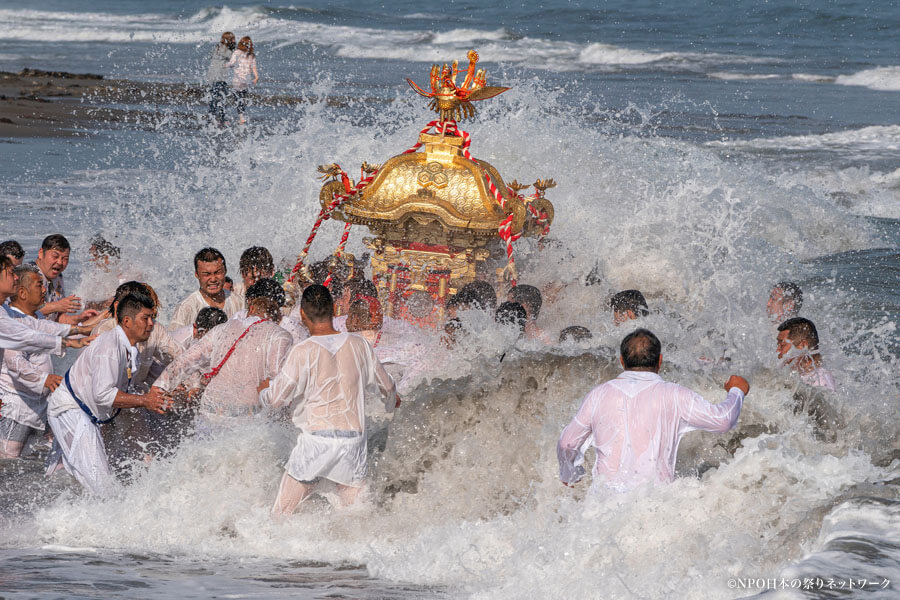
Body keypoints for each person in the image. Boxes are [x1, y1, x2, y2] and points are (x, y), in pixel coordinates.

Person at [259, 284, 399, 514]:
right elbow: (388, 386)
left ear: (302, 314)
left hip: (316, 443)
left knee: (281, 515)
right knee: (355, 518)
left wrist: (265, 390)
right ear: (334, 309)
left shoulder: (303, 350)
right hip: (353, 443)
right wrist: (391, 402)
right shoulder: (360, 345)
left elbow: (276, 399)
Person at [557, 328, 748, 492]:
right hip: (652, 508)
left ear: (622, 361)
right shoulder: (674, 395)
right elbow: (723, 420)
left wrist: (570, 474)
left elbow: (567, 443)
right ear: (660, 361)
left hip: (605, 508)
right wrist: (737, 390)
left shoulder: (598, 395)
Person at [45, 294, 170, 496]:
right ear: (127, 321)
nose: (151, 324)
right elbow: (103, 395)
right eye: (145, 318)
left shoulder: (131, 349)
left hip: (86, 415)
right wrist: (146, 401)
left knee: (75, 482)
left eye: (152, 318)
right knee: (103, 488)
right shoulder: (110, 347)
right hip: (71, 411)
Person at [153, 278, 292, 420]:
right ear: (277, 318)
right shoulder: (280, 335)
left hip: (211, 411)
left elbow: (187, 360)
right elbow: (277, 377)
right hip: (249, 416)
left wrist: (158, 388)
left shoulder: (222, 328)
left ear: (251, 309)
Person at [0, 265, 92, 458]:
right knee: (7, 461)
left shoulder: (12, 313)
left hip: (37, 407)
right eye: (10, 274)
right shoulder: (7, 317)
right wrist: (45, 377)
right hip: (15, 408)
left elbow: (42, 327)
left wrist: (78, 332)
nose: (15, 278)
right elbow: (19, 352)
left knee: (26, 463)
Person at [0, 256, 91, 371]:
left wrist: (81, 329)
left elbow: (37, 326)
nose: (16, 278)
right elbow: (25, 337)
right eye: (10, 273)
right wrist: (69, 342)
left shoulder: (5, 309)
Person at [169, 248, 242, 331]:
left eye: (217, 272)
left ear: (225, 271)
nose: (213, 279)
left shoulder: (240, 302)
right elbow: (173, 342)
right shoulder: (186, 308)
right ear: (197, 274)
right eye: (206, 274)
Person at [33, 234, 97, 325]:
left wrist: (80, 318)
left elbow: (58, 319)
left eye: (65, 259)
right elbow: (24, 311)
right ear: (40, 253)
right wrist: (57, 306)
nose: (59, 262)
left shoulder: (58, 277)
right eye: (55, 256)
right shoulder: (29, 274)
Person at [776, 317, 835, 391]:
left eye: (782, 344)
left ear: (803, 346)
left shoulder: (820, 383)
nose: (777, 350)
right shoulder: (792, 370)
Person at [231, 246, 275, 313]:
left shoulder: (277, 294)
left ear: (272, 272)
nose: (257, 283)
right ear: (243, 274)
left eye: (261, 278)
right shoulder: (232, 294)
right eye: (253, 278)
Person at [227, 36, 258, 125]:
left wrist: (224, 65)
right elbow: (254, 67)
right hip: (246, 80)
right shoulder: (251, 55)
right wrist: (256, 77)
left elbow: (231, 63)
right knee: (242, 98)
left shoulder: (236, 52)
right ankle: (242, 116)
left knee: (237, 98)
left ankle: (241, 118)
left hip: (237, 79)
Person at [207, 32, 235, 126]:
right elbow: (233, 62)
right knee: (222, 98)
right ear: (228, 40)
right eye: (233, 39)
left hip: (211, 76)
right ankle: (222, 120)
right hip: (220, 77)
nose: (234, 41)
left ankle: (211, 118)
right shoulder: (227, 51)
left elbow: (211, 57)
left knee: (213, 98)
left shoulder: (216, 48)